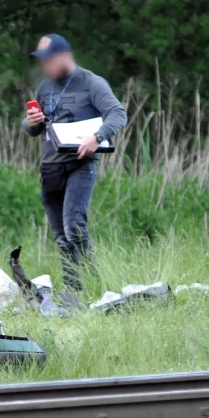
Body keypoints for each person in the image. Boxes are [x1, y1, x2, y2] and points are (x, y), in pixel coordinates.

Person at [22, 34, 126, 292]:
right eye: (43, 61)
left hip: (81, 164)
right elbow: (33, 129)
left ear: (64, 56)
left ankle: (94, 283)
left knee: (74, 226)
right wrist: (31, 123)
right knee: (61, 237)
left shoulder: (91, 82)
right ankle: (74, 290)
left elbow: (118, 114)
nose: (46, 65)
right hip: (50, 167)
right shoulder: (44, 87)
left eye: (49, 60)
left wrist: (97, 137)